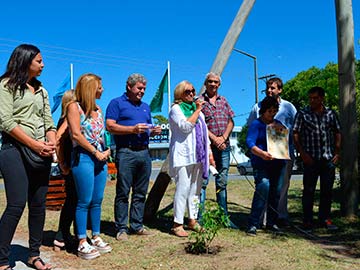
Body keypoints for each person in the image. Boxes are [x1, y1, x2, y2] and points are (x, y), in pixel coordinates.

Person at [0, 44, 55, 270]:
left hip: (40, 153)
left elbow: (49, 122)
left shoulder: (42, 91)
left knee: (38, 205)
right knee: (16, 204)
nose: (43, 65)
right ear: (25, 61)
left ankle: (34, 255)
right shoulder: (6, 85)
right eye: (39, 61)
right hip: (14, 150)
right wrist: (34, 144)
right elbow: (5, 121)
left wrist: (51, 141)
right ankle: (2, 259)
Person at [106, 73, 162, 241]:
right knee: (123, 192)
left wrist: (152, 131)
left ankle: (136, 225)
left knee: (140, 192)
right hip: (126, 152)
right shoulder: (116, 103)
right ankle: (121, 228)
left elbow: (145, 128)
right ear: (129, 87)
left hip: (144, 152)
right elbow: (110, 126)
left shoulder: (145, 106)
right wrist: (132, 129)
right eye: (139, 88)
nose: (142, 91)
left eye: (144, 88)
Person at [67, 73, 112, 260]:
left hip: (101, 158)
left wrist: (107, 149)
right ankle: (81, 241)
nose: (102, 90)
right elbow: (76, 135)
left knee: (97, 200)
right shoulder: (74, 107)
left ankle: (96, 235)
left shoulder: (98, 109)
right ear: (90, 88)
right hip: (84, 157)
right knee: (83, 200)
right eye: (99, 86)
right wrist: (95, 152)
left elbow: (101, 133)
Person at [247, 77, 297, 226]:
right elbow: (250, 137)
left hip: (281, 157)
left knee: (279, 190)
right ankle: (257, 221)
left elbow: (294, 128)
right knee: (263, 187)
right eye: (268, 88)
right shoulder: (257, 110)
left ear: (280, 90)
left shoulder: (288, 108)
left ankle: (276, 219)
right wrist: (261, 153)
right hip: (262, 160)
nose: (269, 90)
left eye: (273, 88)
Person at [168, 81, 215, 237]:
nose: (191, 93)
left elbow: (204, 133)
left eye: (193, 91)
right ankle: (177, 223)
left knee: (195, 189)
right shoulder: (176, 109)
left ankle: (192, 220)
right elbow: (186, 127)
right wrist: (198, 109)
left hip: (198, 155)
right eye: (188, 91)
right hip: (183, 155)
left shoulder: (197, 111)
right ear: (180, 93)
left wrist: (209, 153)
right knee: (183, 188)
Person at [293, 86, 341, 231]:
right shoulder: (302, 114)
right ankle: (307, 220)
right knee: (308, 191)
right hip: (310, 159)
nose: (312, 101)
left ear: (322, 98)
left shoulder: (331, 114)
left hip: (327, 159)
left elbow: (338, 131)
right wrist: (302, 153)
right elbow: (295, 133)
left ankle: (325, 219)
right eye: (310, 98)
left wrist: (337, 152)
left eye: (315, 98)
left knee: (327, 191)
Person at [246, 96, 286, 236]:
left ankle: (271, 223)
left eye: (274, 111)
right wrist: (262, 153)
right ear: (263, 111)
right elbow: (250, 143)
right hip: (261, 163)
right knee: (263, 187)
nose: (272, 114)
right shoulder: (256, 124)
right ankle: (253, 223)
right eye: (270, 111)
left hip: (278, 164)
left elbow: (283, 143)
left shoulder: (278, 124)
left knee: (275, 192)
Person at [199, 72, 235, 227]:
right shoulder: (199, 101)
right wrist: (215, 139)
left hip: (224, 147)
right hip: (207, 149)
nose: (213, 84)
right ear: (206, 83)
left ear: (219, 84)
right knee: (202, 184)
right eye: (210, 82)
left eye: (216, 82)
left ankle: (224, 218)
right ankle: (199, 220)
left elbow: (231, 121)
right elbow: (200, 125)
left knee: (222, 184)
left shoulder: (224, 101)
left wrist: (224, 138)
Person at [53, 89, 78, 251]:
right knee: (73, 201)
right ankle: (61, 236)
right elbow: (57, 140)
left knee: (74, 201)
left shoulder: (64, 118)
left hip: (70, 164)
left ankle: (67, 234)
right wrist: (62, 163)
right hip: (70, 165)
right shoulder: (68, 118)